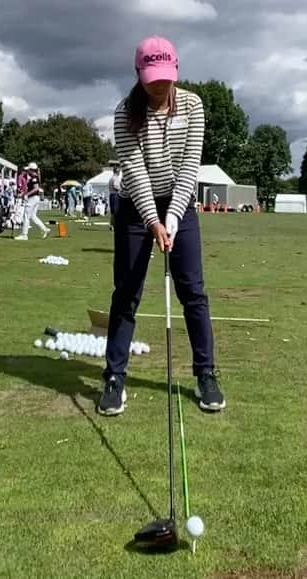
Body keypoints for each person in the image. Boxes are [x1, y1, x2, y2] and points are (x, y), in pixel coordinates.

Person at [98, 35, 225, 417]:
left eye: (165, 79)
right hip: (136, 207)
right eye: (151, 79)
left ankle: (206, 374)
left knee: (193, 292)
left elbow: (190, 166)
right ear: (139, 74)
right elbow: (134, 172)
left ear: (175, 72)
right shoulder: (125, 113)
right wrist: (153, 221)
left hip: (180, 202)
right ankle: (114, 377)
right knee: (127, 292)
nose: (158, 87)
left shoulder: (193, 105)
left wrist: (171, 218)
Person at [15, 163, 50, 240]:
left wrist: (27, 194)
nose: (28, 171)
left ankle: (24, 235)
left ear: (31, 170)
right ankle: (45, 229)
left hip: (33, 198)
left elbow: (36, 188)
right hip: (34, 198)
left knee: (26, 216)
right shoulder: (35, 176)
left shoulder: (34, 177)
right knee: (32, 216)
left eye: (29, 170)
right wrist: (23, 194)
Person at [108, 165, 122, 231]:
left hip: (111, 194)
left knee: (113, 212)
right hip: (115, 195)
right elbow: (116, 186)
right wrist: (121, 189)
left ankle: (112, 225)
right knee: (116, 211)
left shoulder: (111, 178)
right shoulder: (116, 178)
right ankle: (115, 225)